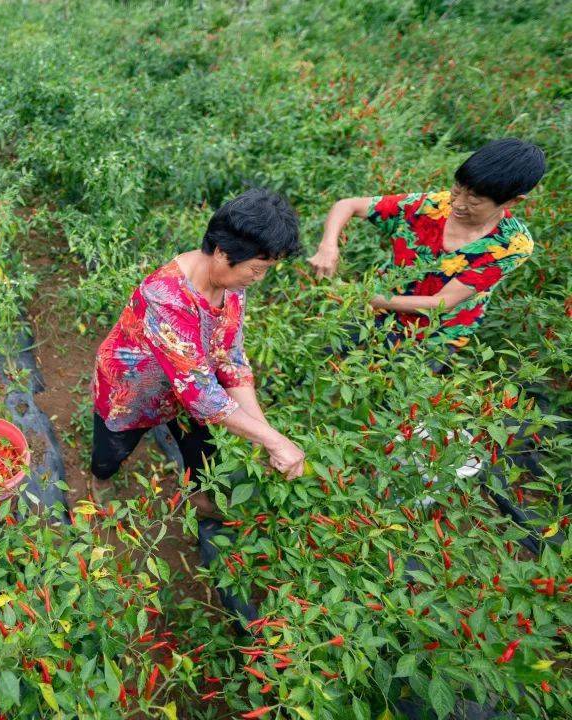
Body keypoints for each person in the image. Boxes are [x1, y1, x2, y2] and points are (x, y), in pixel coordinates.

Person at [91, 188, 307, 517]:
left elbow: (230, 357)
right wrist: (272, 440)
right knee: (113, 448)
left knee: (202, 450)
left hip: (189, 387)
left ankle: (200, 500)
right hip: (134, 388)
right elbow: (202, 395)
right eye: (257, 269)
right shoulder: (165, 297)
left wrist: (262, 433)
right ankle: (101, 480)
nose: (259, 279)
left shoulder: (231, 286)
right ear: (222, 252)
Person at [308, 138, 546, 350]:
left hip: (433, 336)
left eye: (474, 200)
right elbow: (348, 205)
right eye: (457, 190)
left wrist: (361, 297)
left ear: (512, 201)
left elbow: (441, 303)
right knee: (326, 358)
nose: (458, 204)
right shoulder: (429, 207)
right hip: (375, 309)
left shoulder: (512, 245)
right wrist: (328, 245)